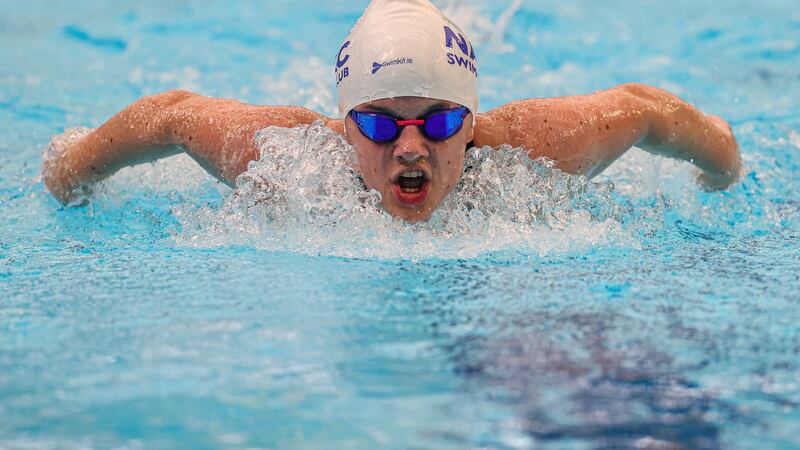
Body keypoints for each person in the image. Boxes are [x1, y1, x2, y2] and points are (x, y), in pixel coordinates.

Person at [42, 0, 741, 223]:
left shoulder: (531, 148)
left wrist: (723, 165)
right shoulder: (290, 159)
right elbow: (172, 113)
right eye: (380, 124)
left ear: (471, 120)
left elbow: (644, 110)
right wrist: (70, 171)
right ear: (345, 127)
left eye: (438, 121)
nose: (411, 147)